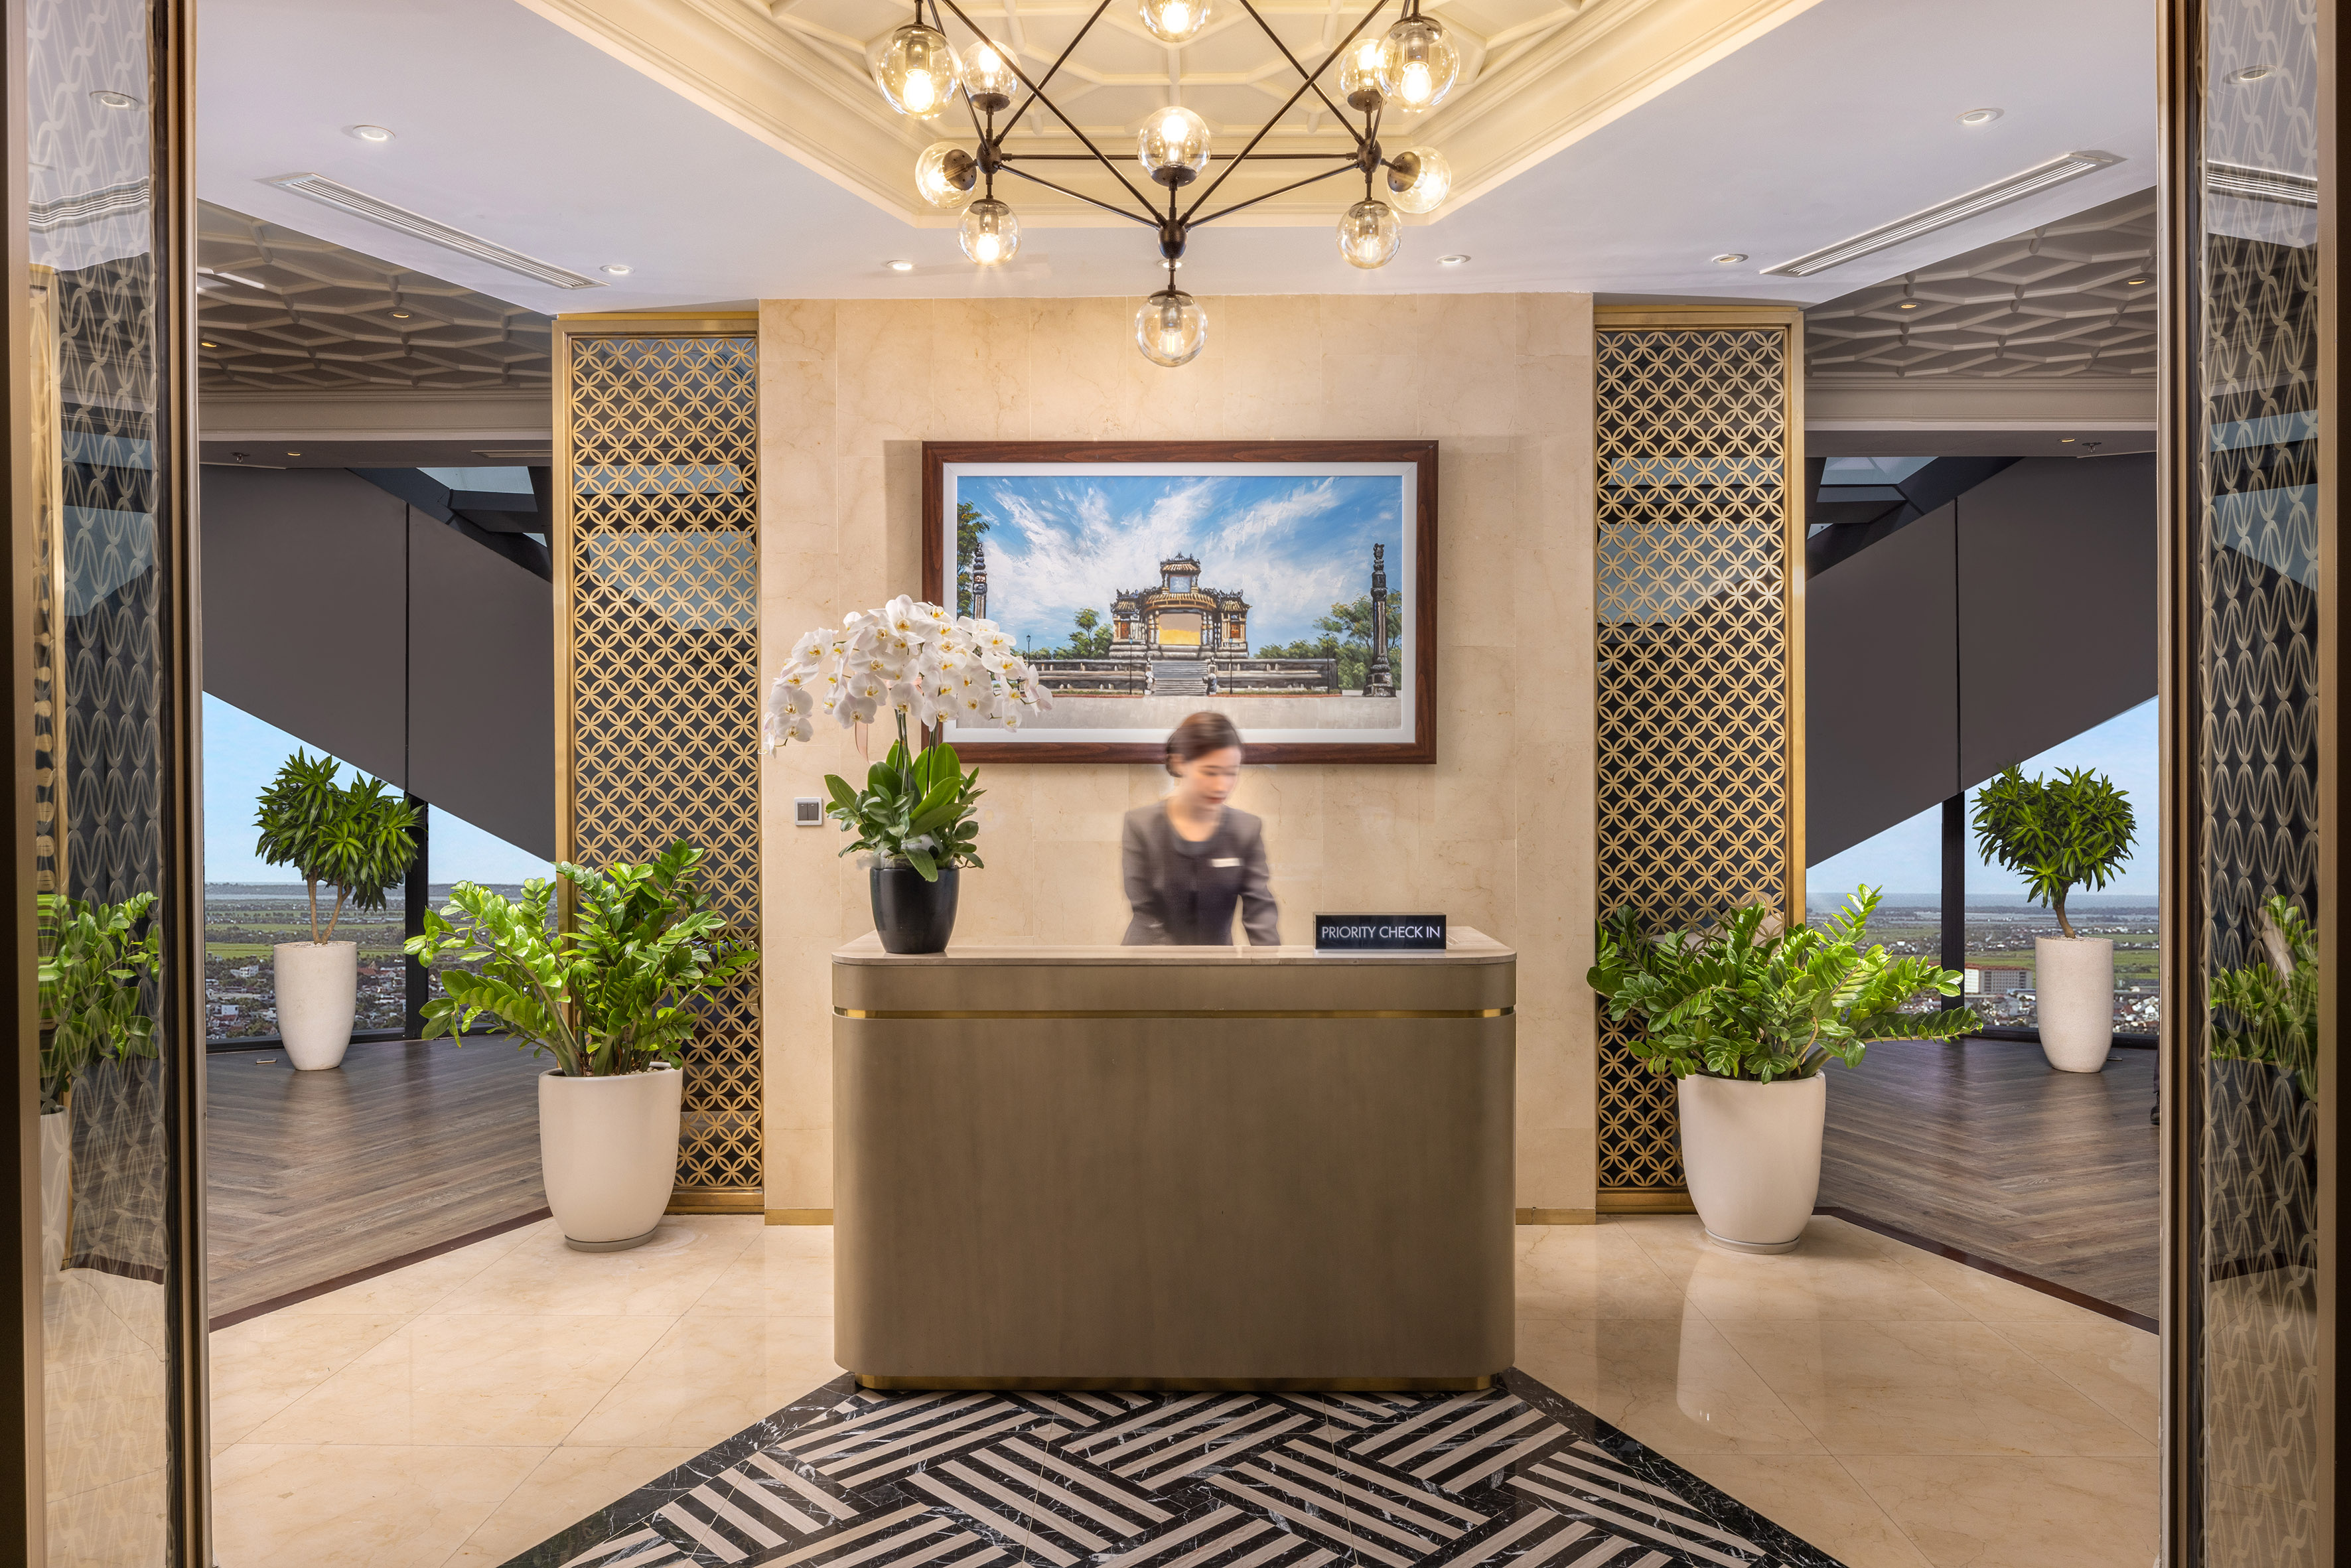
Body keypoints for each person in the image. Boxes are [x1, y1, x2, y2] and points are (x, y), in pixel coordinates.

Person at [1121, 711, 1279, 946]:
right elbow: (1147, 916)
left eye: (1231, 773)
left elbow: (1261, 916)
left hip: (1218, 974)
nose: (1222, 785)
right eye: (1210, 772)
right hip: (1149, 968)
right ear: (1180, 763)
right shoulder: (1141, 826)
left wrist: (1274, 975)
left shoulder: (1246, 829)